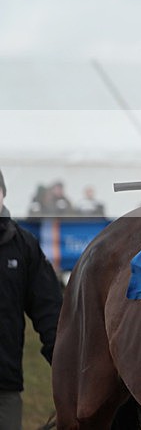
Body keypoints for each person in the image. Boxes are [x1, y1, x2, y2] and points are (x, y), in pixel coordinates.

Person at [0, 168, 63, 430]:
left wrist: (64, 364)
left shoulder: (24, 245)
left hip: (5, 384)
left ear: (2, 194)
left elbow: (49, 311)